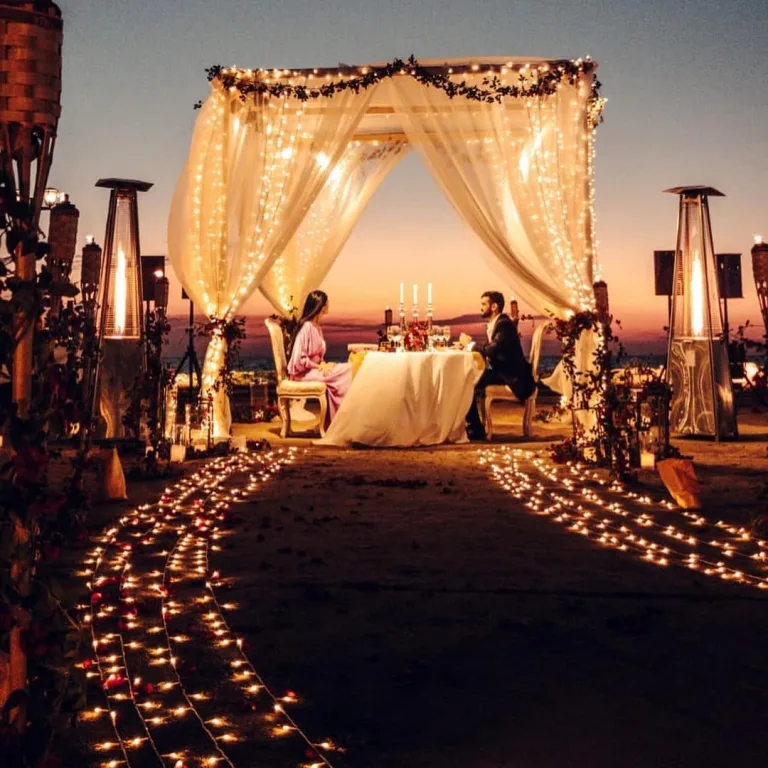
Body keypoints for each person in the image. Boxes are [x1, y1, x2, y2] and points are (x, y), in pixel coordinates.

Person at [461, 291, 536, 441]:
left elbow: (491, 350)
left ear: (494, 306)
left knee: (466, 381)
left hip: (513, 377)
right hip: (504, 371)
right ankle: (473, 426)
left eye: (483, 304)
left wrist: (470, 345)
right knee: (468, 378)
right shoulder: (499, 323)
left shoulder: (504, 325)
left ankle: (475, 428)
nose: (481, 308)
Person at [287, 290, 353, 423]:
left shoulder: (317, 327)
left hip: (314, 370)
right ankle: (340, 421)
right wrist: (320, 366)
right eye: (326, 302)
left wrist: (324, 364)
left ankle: (340, 418)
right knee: (344, 372)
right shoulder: (306, 327)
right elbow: (300, 359)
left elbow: (318, 357)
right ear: (320, 306)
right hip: (302, 374)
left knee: (347, 368)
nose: (328, 305)